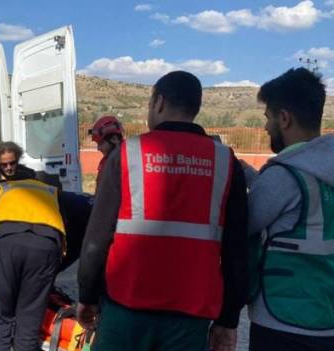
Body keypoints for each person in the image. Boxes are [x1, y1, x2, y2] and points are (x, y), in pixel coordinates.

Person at [77, 71, 248, 351]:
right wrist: (228, 320)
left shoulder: (127, 154)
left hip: (126, 308)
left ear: (158, 102)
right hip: (190, 316)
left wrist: (87, 294)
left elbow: (97, 239)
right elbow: (236, 250)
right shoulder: (225, 161)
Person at [243, 68, 334, 351]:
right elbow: (303, 207)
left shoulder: (283, 176)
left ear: (284, 118)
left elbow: (245, 222)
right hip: (333, 316)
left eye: (268, 117)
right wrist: (252, 176)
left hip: (284, 317)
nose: (267, 127)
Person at [0, 171, 67, 351]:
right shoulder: (51, 190)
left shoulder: (5, 188)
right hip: (45, 245)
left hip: (6, 242)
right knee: (30, 316)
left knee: (1, 313)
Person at [0, 141, 36, 227]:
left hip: (25, 223)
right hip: (1, 225)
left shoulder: (28, 175)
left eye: (12, 163)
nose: (9, 167)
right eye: (4, 165)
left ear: (17, 160)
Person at [88, 116, 123, 188]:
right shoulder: (107, 159)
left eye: (100, 143)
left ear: (114, 139)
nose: (98, 148)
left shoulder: (123, 162)